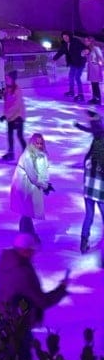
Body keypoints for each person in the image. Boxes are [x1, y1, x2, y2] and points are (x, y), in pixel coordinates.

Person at [0, 232, 68, 338]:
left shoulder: (7, 262)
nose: (34, 254)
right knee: (21, 351)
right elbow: (41, 301)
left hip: (6, 317)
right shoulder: (21, 272)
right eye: (32, 251)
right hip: (19, 323)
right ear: (25, 251)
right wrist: (61, 289)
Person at [10, 133, 51, 242]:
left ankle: (29, 235)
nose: (38, 145)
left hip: (30, 187)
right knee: (25, 212)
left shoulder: (40, 155)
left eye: (40, 143)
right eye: (36, 143)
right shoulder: (27, 156)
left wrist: (46, 184)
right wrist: (45, 185)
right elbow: (33, 176)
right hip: (23, 187)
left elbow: (43, 171)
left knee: (27, 213)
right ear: (32, 143)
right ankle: (25, 237)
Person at [80, 111, 104, 253]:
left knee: (89, 215)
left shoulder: (90, 156)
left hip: (89, 191)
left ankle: (83, 242)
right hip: (100, 191)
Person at [53, 30, 86, 101]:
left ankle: (81, 95)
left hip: (80, 62)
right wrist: (54, 59)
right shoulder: (65, 44)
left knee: (77, 78)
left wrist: (87, 51)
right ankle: (71, 92)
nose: (65, 38)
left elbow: (84, 48)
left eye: (66, 36)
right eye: (64, 37)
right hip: (73, 63)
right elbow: (60, 52)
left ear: (69, 36)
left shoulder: (76, 41)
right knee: (71, 77)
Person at [1, 70, 26, 161]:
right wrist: (6, 115)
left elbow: (16, 105)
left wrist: (6, 115)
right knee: (10, 135)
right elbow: (7, 104)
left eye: (8, 78)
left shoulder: (17, 90)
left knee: (19, 136)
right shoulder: (8, 89)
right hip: (10, 116)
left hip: (18, 117)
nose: (6, 80)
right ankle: (11, 153)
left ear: (13, 79)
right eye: (6, 78)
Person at [83, 34, 104, 105]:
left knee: (96, 84)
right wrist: (85, 54)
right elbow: (84, 56)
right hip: (91, 69)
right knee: (93, 84)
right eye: (85, 41)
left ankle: (98, 99)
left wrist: (99, 64)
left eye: (86, 41)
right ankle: (94, 98)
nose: (85, 42)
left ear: (91, 41)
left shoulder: (96, 48)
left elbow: (101, 58)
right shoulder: (88, 49)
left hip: (96, 69)